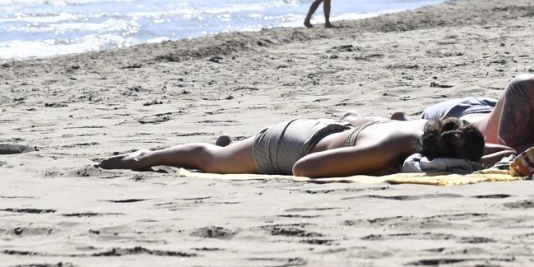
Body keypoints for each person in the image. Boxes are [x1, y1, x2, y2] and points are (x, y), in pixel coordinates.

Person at [98, 116, 489, 177]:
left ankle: (235, 146)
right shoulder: (386, 149)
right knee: (211, 159)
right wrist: (380, 170)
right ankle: (141, 157)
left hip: (329, 128)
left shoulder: (432, 129)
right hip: (292, 145)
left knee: (230, 152)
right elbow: (306, 169)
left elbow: (487, 154)